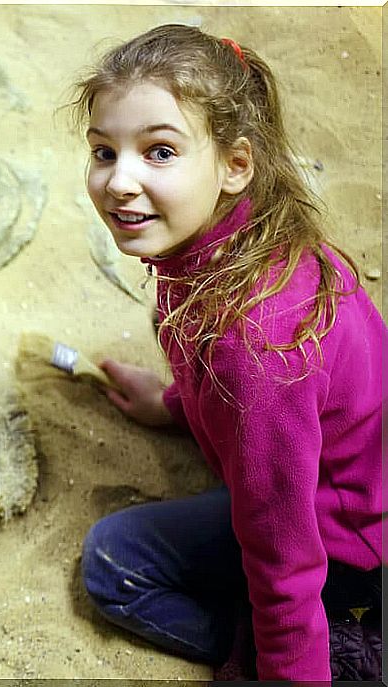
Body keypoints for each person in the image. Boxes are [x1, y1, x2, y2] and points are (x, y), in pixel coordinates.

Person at [69, 24, 384, 681]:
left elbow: (282, 548)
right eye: (104, 151)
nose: (119, 180)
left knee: (111, 563)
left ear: (235, 164)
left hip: (345, 536)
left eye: (159, 151)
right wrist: (173, 404)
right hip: (321, 480)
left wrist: (289, 669)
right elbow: (233, 396)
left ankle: (340, 648)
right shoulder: (227, 242)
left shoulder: (259, 343)